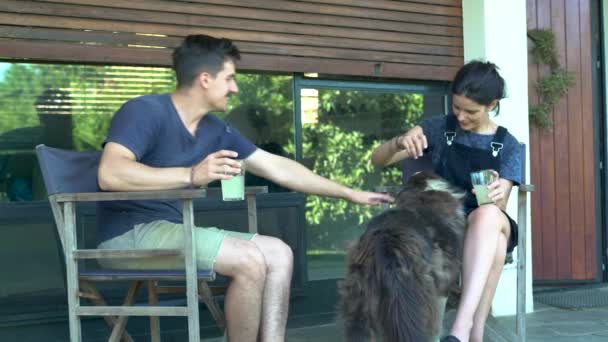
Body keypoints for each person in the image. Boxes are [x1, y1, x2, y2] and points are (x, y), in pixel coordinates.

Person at [96, 34, 393, 342]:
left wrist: (348, 193)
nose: (235, 88)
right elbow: (110, 173)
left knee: (279, 253)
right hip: (129, 236)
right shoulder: (145, 111)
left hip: (174, 230)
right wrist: (190, 174)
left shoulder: (216, 130)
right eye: (230, 78)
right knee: (248, 260)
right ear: (205, 79)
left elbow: (277, 167)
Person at [371, 60, 522, 342]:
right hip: (442, 224)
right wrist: (399, 142)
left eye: (471, 111)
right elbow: (378, 160)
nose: (461, 117)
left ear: (492, 104)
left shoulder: (508, 145)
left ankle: (459, 331)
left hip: (487, 221)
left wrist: (502, 189)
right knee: (496, 246)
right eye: (457, 108)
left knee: (487, 214)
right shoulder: (440, 128)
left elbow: (499, 206)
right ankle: (472, 334)